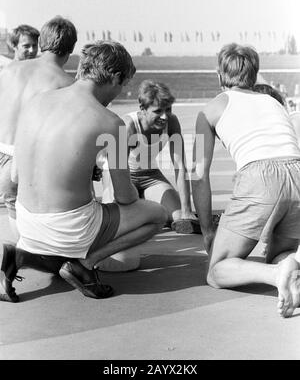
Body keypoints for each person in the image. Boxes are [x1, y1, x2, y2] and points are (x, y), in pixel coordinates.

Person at [0, 41, 168, 302]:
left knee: (60, 230)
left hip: (26, 222)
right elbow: (125, 197)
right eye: (122, 86)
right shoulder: (111, 122)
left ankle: (20, 256)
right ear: (114, 77)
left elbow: (16, 177)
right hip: (69, 229)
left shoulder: (35, 101)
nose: (120, 93)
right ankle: (85, 265)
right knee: (157, 215)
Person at [191, 43, 300, 318]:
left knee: (217, 271)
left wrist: (207, 232)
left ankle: (277, 275)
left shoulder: (212, 108)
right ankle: (289, 273)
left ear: (219, 75)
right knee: (282, 253)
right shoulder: (275, 102)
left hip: (260, 177)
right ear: (255, 74)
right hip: (297, 174)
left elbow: (200, 175)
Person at [0, 16, 77, 237]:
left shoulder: (9, 70)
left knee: (11, 205)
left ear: (41, 42)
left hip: (1, 147)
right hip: (23, 158)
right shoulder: (65, 84)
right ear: (71, 48)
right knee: (26, 209)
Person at [102, 80, 198, 234]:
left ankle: (143, 203)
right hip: (121, 175)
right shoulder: (129, 126)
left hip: (150, 175)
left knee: (178, 217)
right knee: (118, 221)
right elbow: (117, 168)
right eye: (158, 111)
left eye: (168, 109)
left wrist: (187, 210)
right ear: (143, 109)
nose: (165, 116)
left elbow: (180, 166)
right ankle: (139, 205)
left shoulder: (172, 122)